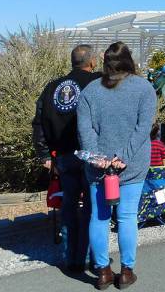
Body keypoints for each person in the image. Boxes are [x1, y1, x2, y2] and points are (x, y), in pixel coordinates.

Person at [77, 41, 156, 289]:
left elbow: (84, 129)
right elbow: (143, 128)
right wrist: (123, 155)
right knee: (127, 217)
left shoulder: (90, 90)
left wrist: (98, 157)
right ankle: (126, 271)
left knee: (99, 218)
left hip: (98, 168)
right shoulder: (144, 88)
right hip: (131, 166)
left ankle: (102, 272)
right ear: (129, 61)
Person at [32, 44, 101, 273]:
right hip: (90, 154)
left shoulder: (52, 87)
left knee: (69, 206)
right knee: (92, 207)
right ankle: (93, 258)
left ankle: (71, 259)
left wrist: (43, 153)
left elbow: (39, 121)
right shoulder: (96, 83)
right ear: (91, 62)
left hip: (63, 156)